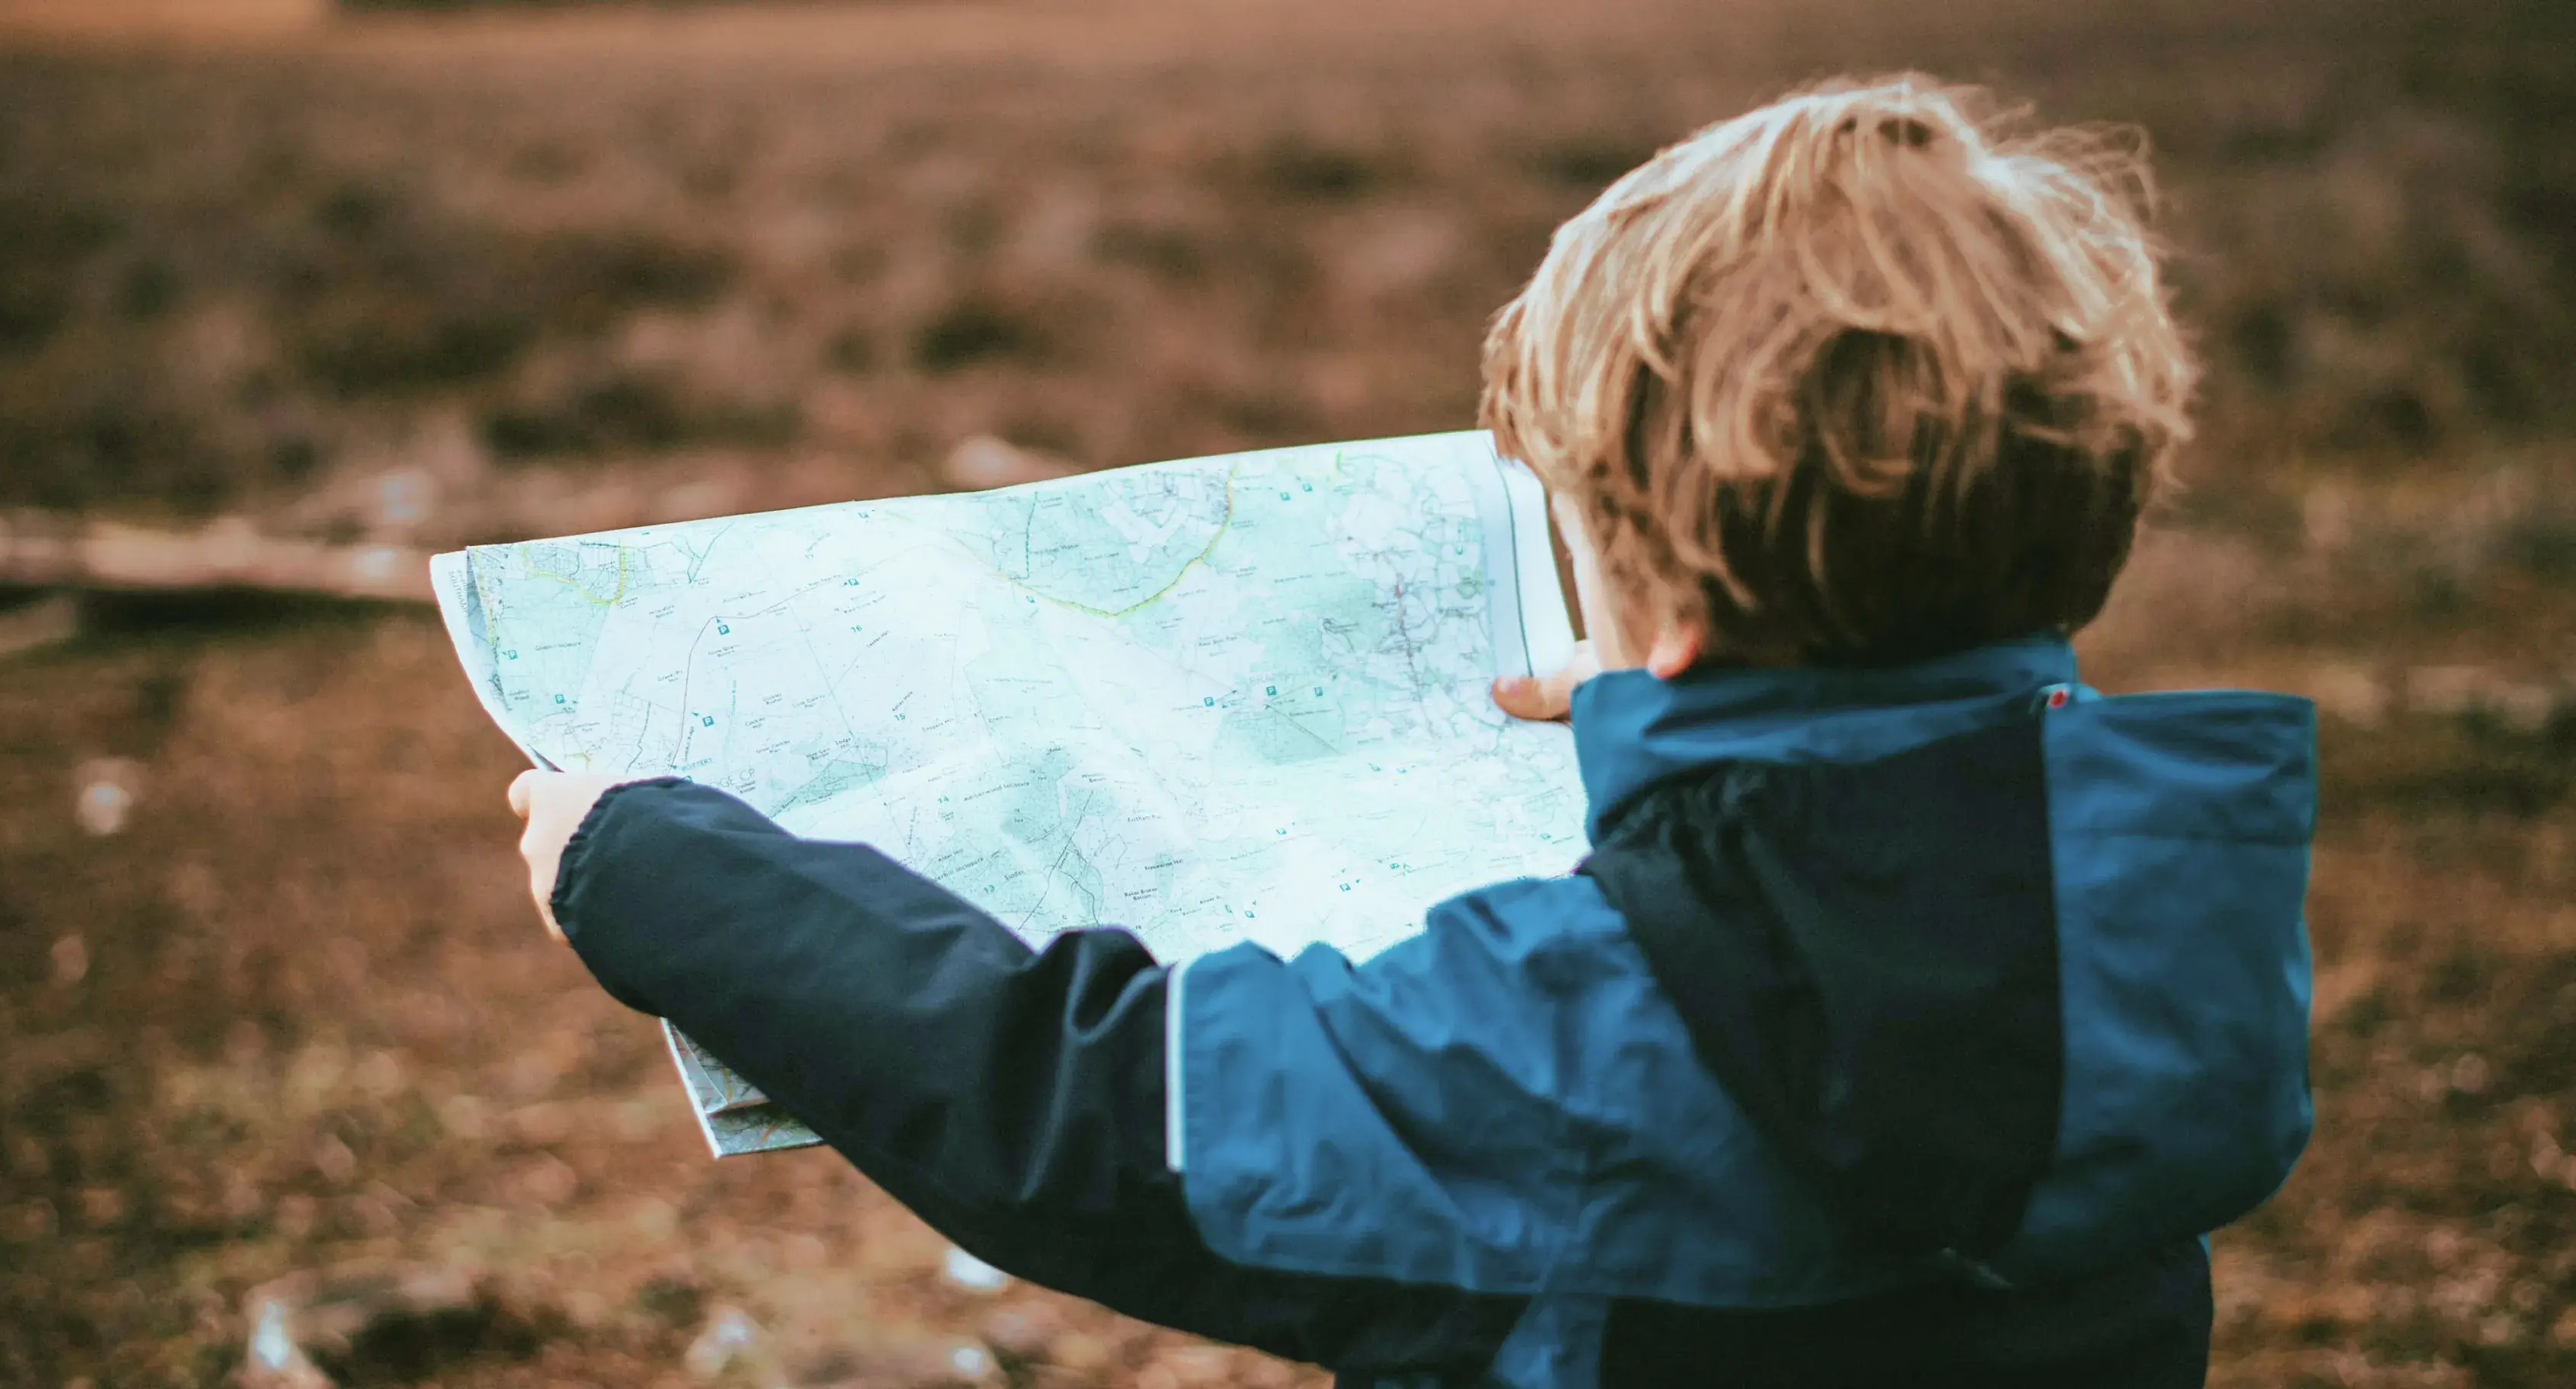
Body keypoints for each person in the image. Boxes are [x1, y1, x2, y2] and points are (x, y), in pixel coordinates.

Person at [506, 73, 2314, 1389]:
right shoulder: (2166, 919)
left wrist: (652, 868)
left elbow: (1097, 1112)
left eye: (1588, 541)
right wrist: (1682, 724)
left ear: (1674, 608)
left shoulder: (1580, 1028)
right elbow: (1891, 835)